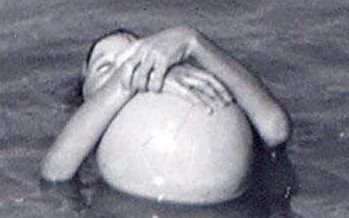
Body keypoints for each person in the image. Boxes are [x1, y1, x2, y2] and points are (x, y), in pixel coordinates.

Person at [40, 25, 291, 206]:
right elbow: (55, 173)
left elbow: (276, 129)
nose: (133, 67)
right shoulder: (83, 132)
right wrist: (127, 79)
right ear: (84, 91)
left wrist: (192, 42)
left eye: (139, 57)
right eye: (105, 67)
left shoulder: (194, 90)